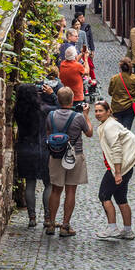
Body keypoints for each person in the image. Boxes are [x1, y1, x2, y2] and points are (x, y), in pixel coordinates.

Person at [45, 87, 92, 236]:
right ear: (72, 100)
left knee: (55, 190)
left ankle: (51, 224)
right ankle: (65, 226)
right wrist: (86, 115)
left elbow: (48, 133)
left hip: (56, 155)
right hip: (74, 155)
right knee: (70, 190)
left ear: (58, 100)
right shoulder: (78, 117)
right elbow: (89, 133)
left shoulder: (51, 115)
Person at [94, 100, 135, 240]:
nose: (97, 114)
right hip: (126, 167)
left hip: (118, 168)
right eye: (96, 111)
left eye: (100, 111)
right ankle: (128, 231)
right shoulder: (110, 124)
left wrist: (117, 172)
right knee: (121, 198)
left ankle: (112, 228)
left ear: (109, 111)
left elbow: (116, 150)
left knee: (104, 195)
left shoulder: (110, 126)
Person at [13, 84, 51, 228]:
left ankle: (32, 217)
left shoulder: (17, 111)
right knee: (48, 183)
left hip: (24, 149)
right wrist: (51, 95)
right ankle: (47, 217)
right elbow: (61, 106)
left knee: (30, 184)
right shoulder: (43, 110)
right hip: (41, 149)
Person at [108, 56, 135, 130]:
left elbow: (110, 92)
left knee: (117, 129)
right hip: (129, 107)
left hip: (116, 107)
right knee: (127, 129)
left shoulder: (114, 78)